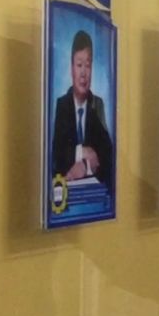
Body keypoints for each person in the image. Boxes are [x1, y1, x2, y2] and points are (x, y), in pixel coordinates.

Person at [50, 29, 116, 194]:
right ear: (71, 68)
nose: (83, 73)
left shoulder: (97, 105)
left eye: (88, 65)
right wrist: (82, 152)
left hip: (92, 194)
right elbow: (56, 154)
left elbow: (107, 156)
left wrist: (85, 166)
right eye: (79, 65)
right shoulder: (60, 105)